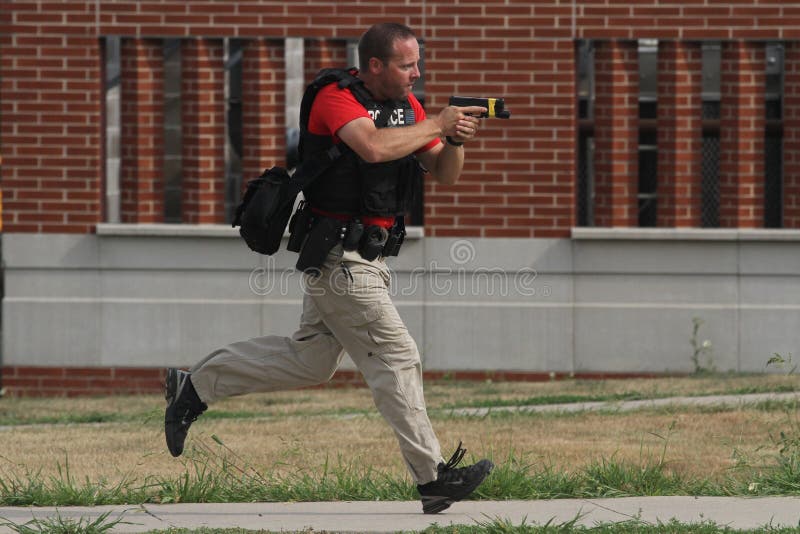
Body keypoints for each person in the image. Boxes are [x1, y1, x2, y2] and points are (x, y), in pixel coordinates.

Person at [164, 22, 493, 515]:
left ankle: (196, 385)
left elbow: (442, 172)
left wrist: (457, 140)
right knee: (397, 356)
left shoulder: (411, 110)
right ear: (376, 65)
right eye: (407, 65)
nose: (416, 73)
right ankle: (434, 478)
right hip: (340, 257)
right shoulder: (336, 98)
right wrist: (439, 124)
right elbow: (374, 147)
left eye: (417, 63)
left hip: (370, 256)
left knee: (310, 361)